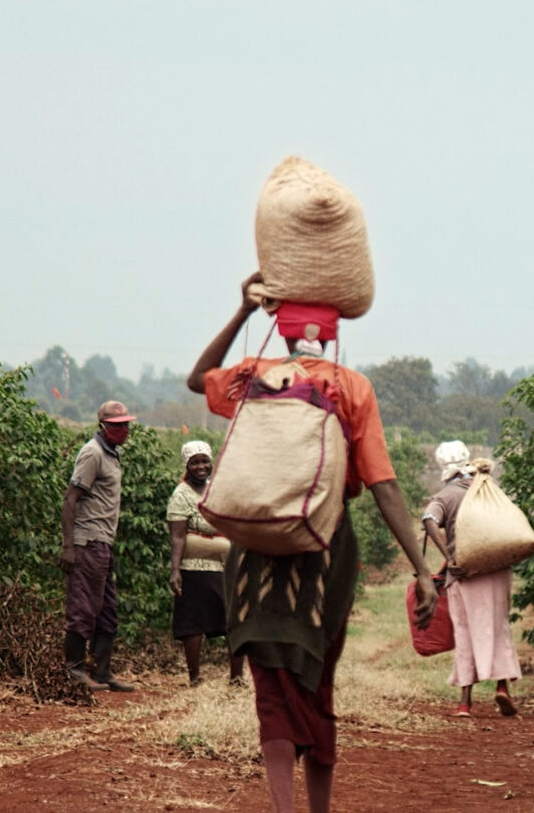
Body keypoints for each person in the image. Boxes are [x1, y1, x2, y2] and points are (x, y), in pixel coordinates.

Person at [188, 272, 438, 813]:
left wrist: (240, 312)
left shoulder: (255, 376)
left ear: (280, 333)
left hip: (256, 553)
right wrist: (421, 566)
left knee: (271, 694)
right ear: (329, 336)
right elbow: (383, 484)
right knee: (317, 686)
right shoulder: (351, 388)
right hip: (326, 554)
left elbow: (197, 378)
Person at [421, 441, 524, 717]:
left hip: (465, 574)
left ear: (444, 467)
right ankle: (502, 688)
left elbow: (429, 520)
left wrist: (449, 556)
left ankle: (465, 703)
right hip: (497, 569)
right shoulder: (489, 489)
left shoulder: (446, 495)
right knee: (498, 626)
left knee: (465, 632)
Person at [58, 399, 137, 692]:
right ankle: (74, 672)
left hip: (103, 541)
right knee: (84, 607)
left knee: (106, 610)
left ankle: (102, 672)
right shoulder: (92, 453)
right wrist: (69, 546)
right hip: (88, 541)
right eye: (117, 425)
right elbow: (70, 499)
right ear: (102, 426)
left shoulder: (112, 455)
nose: (123, 429)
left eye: (126, 424)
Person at [166, 438, 245, 686]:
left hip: (224, 566)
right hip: (194, 569)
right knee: (193, 622)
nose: (200, 467)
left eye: (204, 461)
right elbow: (178, 535)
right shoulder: (181, 495)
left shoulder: (217, 489)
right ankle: (195, 677)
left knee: (235, 619)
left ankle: (237, 677)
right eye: (195, 463)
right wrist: (175, 570)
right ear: (186, 465)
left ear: (211, 463)